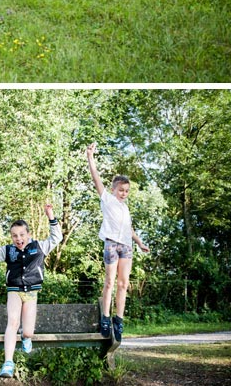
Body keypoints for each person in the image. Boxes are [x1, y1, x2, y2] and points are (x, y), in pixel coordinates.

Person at [0, 205, 62, 379]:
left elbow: (56, 237)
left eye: (22, 235)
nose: (18, 238)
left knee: (28, 331)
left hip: (31, 292)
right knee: (13, 323)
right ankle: (8, 363)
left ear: (28, 234)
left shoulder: (39, 247)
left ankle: (26, 337)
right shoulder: (8, 250)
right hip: (14, 290)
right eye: (15, 235)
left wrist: (51, 217)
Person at [87, 143, 149, 343]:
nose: (124, 193)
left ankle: (118, 320)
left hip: (126, 247)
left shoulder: (125, 209)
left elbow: (129, 230)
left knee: (123, 284)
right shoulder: (107, 199)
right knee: (110, 282)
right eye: (121, 190)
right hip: (112, 245)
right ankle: (105, 317)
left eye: (127, 191)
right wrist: (90, 156)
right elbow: (96, 177)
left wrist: (140, 243)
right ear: (113, 189)